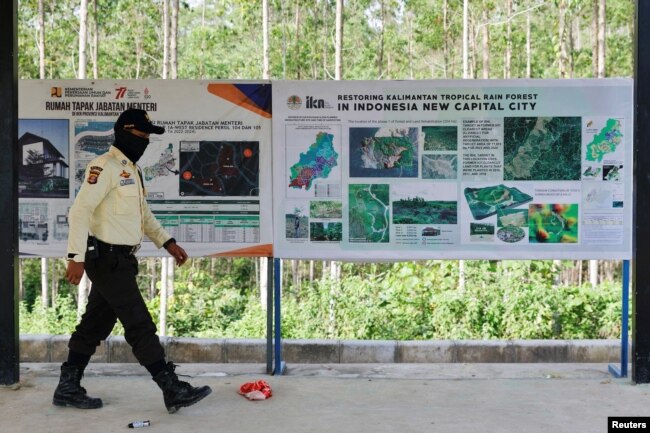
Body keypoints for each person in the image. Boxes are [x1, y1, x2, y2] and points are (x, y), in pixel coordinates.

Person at [53, 108, 212, 413]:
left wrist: (167, 241)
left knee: (95, 323)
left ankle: (67, 386)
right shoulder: (105, 167)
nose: (146, 141)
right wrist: (75, 257)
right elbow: (80, 211)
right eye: (142, 136)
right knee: (139, 323)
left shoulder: (132, 171)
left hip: (120, 261)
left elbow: (143, 215)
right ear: (125, 133)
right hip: (105, 259)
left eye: (148, 137)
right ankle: (170, 387)